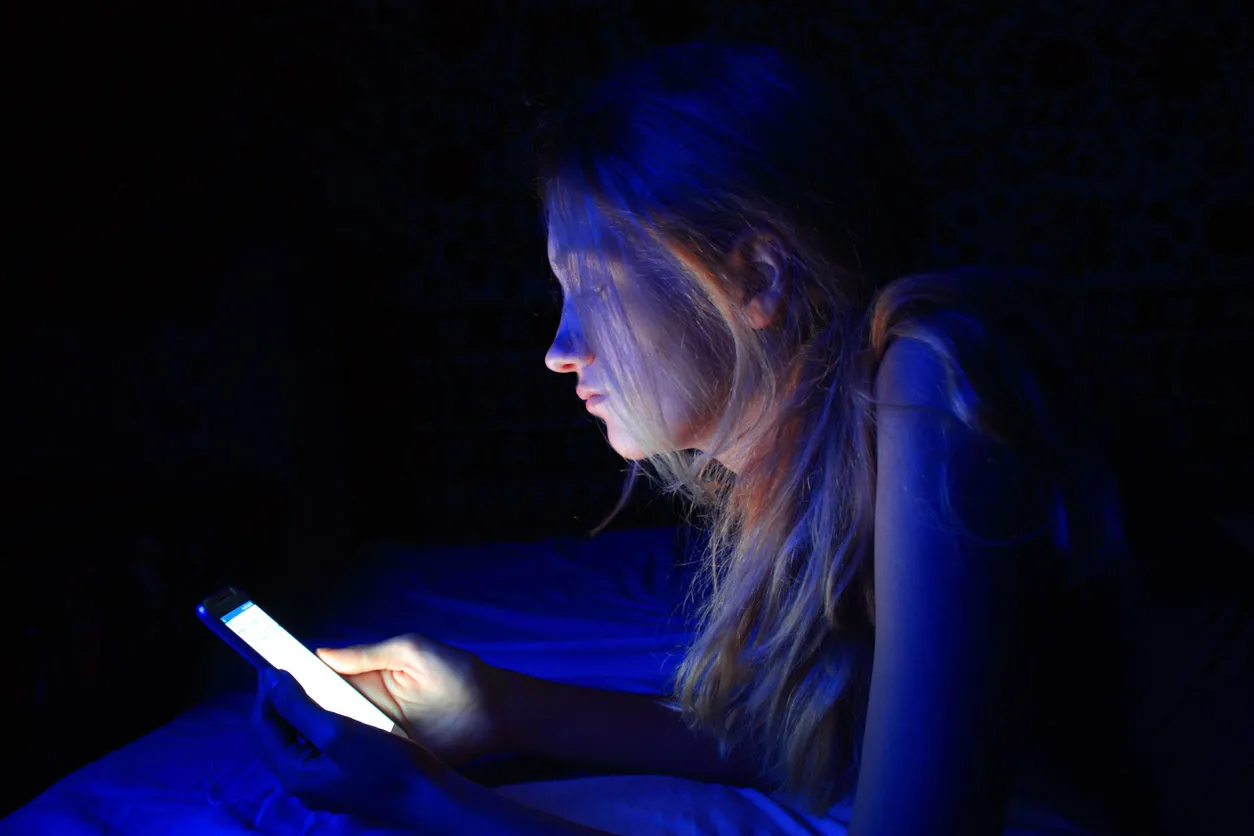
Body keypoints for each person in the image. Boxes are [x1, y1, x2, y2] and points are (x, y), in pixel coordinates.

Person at [250, 42, 1175, 835]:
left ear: (758, 278)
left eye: (594, 287)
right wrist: (498, 706)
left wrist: (435, 808)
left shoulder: (936, 374)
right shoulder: (832, 453)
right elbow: (831, 742)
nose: (558, 351)